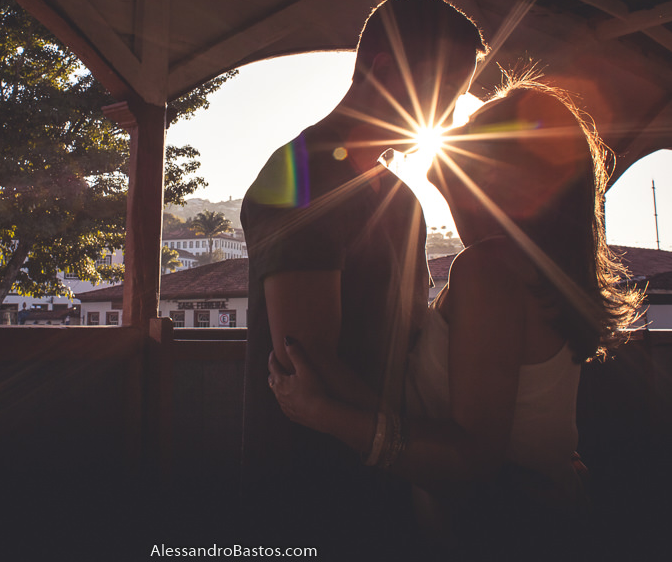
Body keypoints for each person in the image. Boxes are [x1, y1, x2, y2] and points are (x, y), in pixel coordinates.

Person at [267, 77, 644, 556]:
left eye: (473, 124)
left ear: (502, 165)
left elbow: (472, 460)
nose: (453, 124)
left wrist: (326, 414)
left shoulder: (490, 269)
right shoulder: (527, 271)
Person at [240, 0, 488, 549]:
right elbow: (308, 363)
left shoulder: (404, 201)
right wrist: (424, 457)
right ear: (381, 70)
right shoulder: (295, 174)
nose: (449, 117)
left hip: (388, 485)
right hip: (305, 492)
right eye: (444, 94)